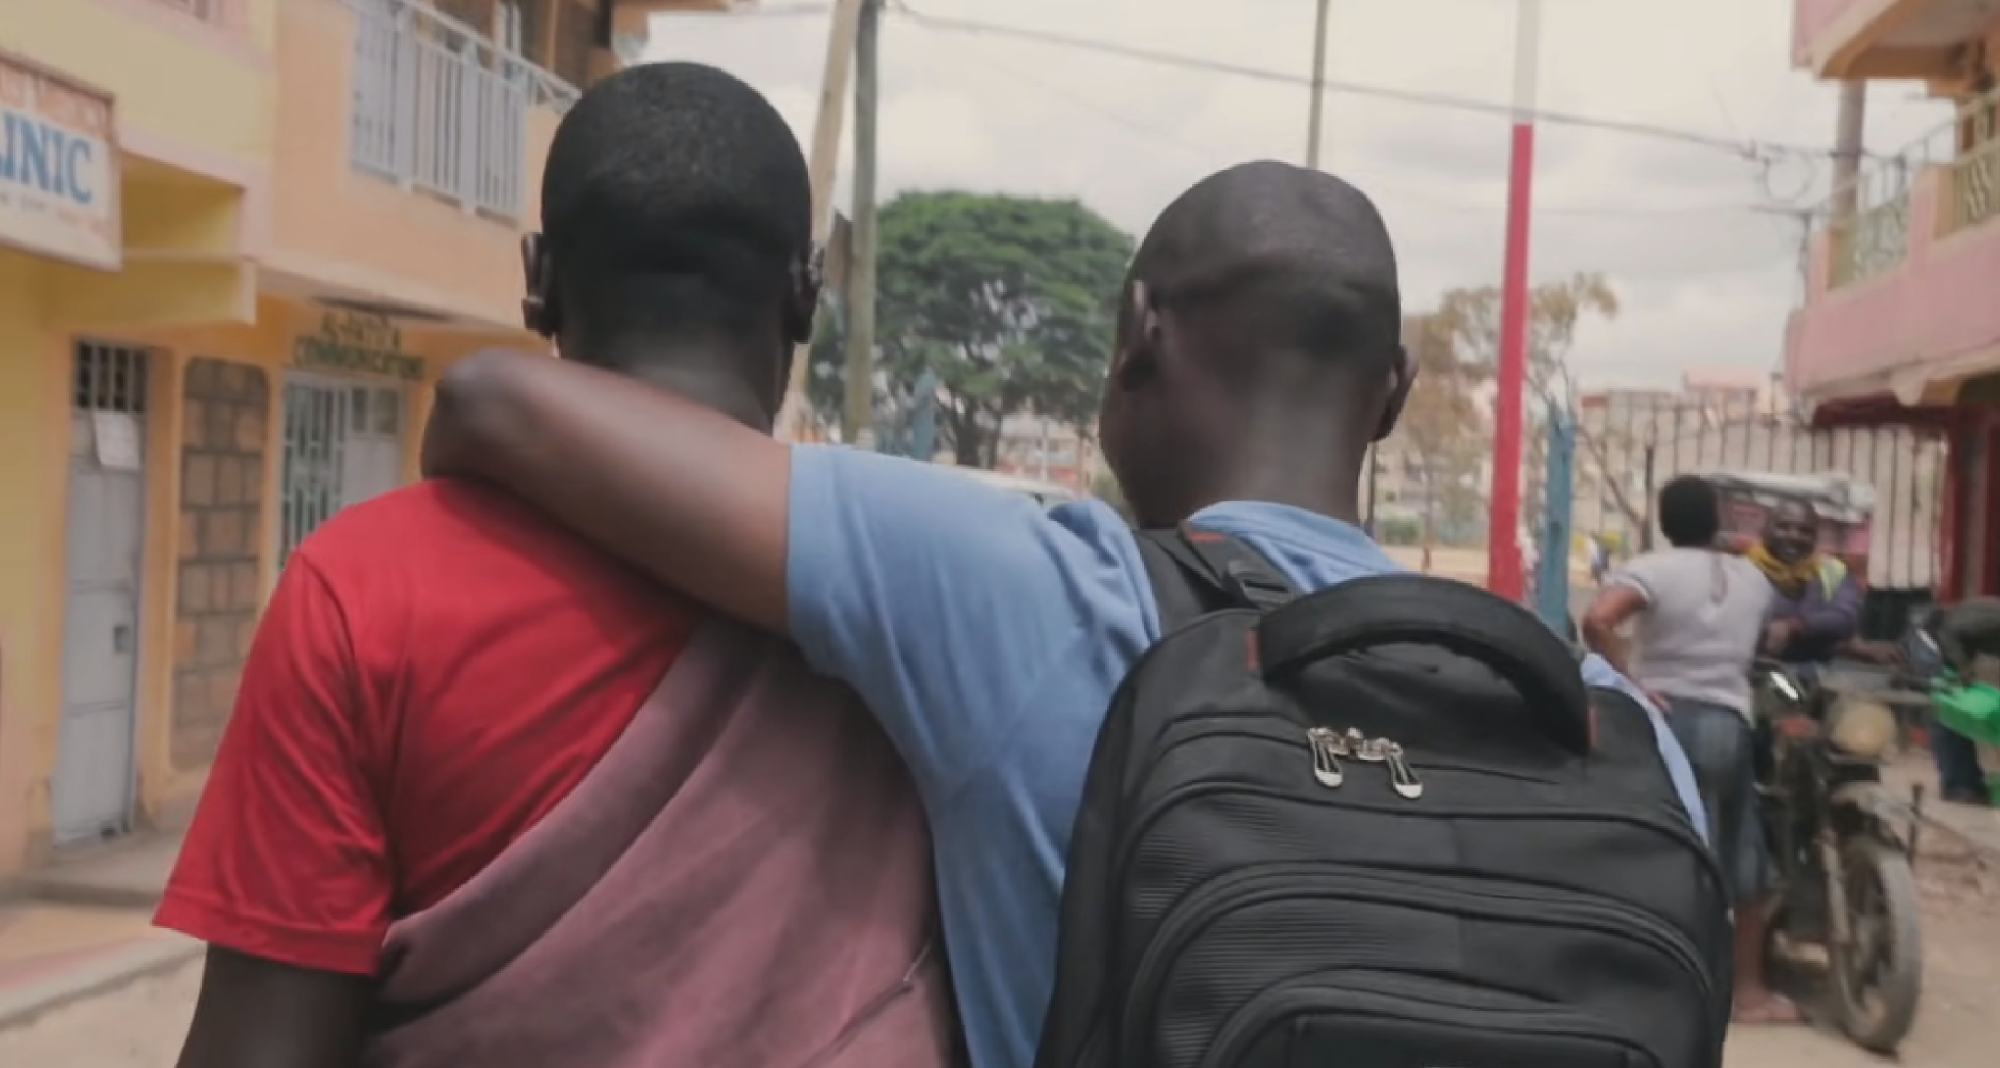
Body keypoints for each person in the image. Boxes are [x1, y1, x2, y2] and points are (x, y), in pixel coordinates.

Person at [419, 161, 1708, 1068]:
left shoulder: (1038, 599)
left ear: (1138, 332)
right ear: (1391, 395)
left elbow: (497, 404)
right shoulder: (1618, 735)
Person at [158, 64, 954, 1068]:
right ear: (802, 298)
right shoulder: (926, 594)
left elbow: (260, 1047)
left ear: (536, 279)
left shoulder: (358, 590)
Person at [1580, 476, 1789, 1024]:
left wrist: (1630, 680)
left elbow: (1598, 619)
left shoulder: (1654, 569)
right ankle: (1749, 994)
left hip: (1666, 719)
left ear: (1667, 521)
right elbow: (1759, 642)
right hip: (1730, 723)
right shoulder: (1754, 579)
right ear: (1716, 518)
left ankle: (1652, 989)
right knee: (1743, 857)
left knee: (1657, 851)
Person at [1750, 499, 1861, 667]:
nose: (1794, 536)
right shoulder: (1742, 568)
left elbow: (1846, 617)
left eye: (1804, 531)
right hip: (1750, 669)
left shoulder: (1832, 569)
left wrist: (1795, 626)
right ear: (1764, 531)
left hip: (1814, 670)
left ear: (1815, 537)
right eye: (1783, 527)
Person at [1927, 598, 2000, 805]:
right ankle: (1959, 786)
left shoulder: (1978, 618)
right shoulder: (1980, 617)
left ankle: (1966, 783)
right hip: (1951, 660)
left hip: (1961, 660)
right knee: (1952, 719)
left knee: (1966, 721)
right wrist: (1962, 672)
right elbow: (1951, 637)